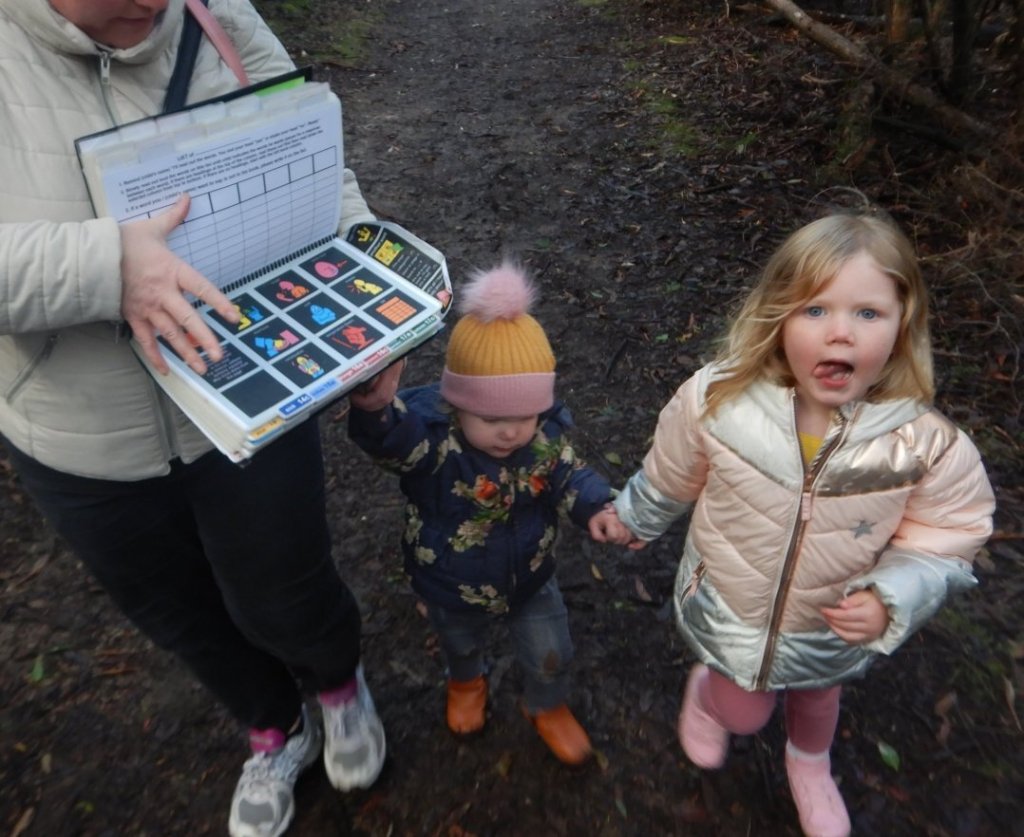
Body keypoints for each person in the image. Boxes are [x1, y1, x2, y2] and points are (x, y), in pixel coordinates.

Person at [0, 3, 387, 836]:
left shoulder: (217, 19)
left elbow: (310, 153)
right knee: (180, 611)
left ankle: (335, 683)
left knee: (288, 580)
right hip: (78, 435)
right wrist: (107, 266)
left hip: (251, 395)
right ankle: (271, 725)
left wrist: (369, 287)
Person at [611, 213, 995, 836]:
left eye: (868, 313)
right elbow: (671, 472)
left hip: (829, 626)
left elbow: (947, 540)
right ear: (777, 315)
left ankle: (810, 763)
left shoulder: (924, 446)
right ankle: (707, 693)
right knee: (744, 712)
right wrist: (634, 516)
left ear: (903, 326)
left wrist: (892, 594)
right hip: (731, 610)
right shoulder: (721, 400)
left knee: (818, 697)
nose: (840, 334)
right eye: (815, 310)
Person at [347, 262, 631, 765]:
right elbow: (393, 445)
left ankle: (546, 704)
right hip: (449, 582)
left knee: (552, 652)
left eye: (524, 417)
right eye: (491, 418)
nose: (509, 432)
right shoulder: (436, 448)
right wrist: (375, 410)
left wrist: (596, 505)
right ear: (457, 406)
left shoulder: (541, 440)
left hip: (530, 578)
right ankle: (466, 682)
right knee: (458, 641)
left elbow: (569, 473)